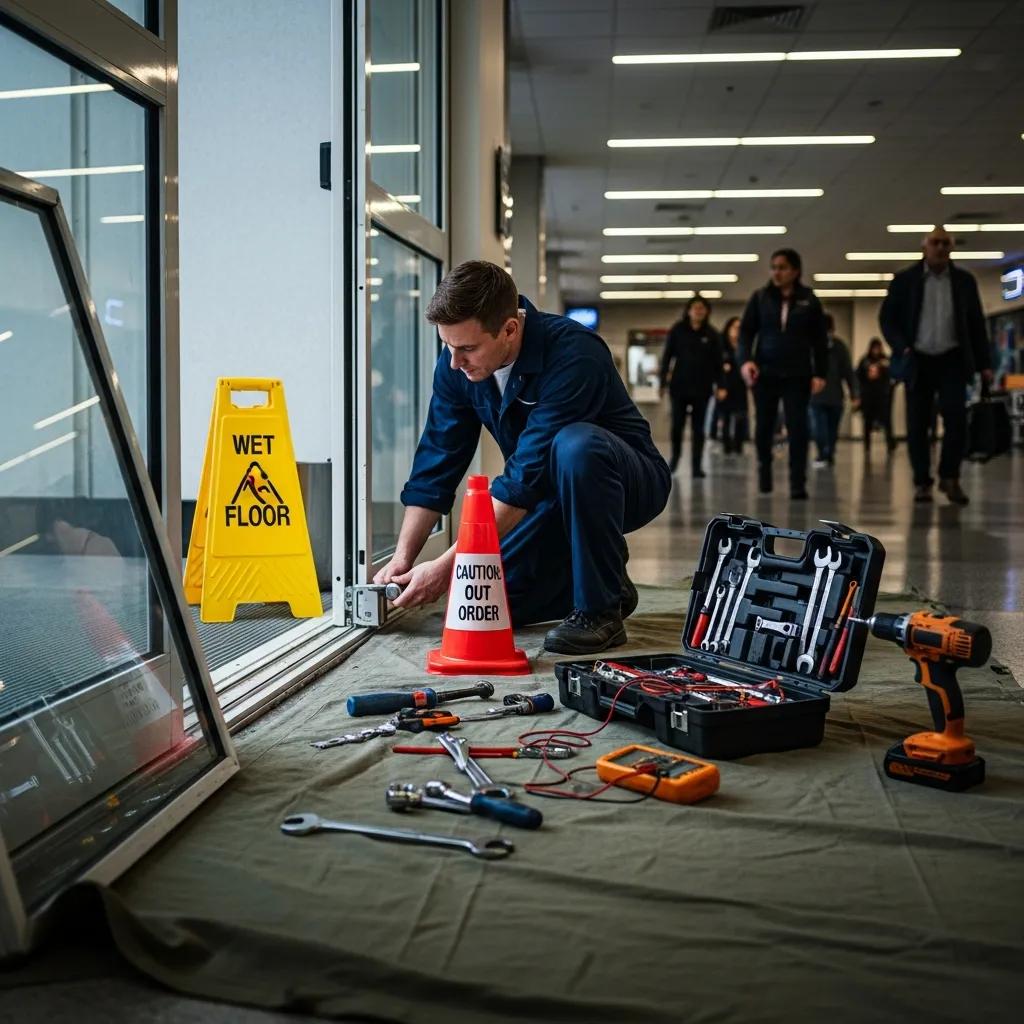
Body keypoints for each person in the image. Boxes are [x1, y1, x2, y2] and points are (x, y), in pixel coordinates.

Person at [374, 260, 671, 654]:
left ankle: (600, 611)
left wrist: (446, 570)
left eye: (466, 348)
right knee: (486, 602)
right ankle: (610, 581)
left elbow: (523, 479)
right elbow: (436, 462)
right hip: (547, 492)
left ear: (510, 329)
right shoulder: (457, 368)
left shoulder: (574, 353)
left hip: (625, 482)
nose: (454, 362)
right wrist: (402, 560)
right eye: (447, 346)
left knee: (574, 444)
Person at [879, 227, 993, 505]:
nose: (940, 248)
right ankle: (922, 482)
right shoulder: (906, 280)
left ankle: (949, 476)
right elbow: (887, 319)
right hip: (917, 359)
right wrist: (901, 346)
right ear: (924, 246)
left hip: (953, 359)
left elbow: (976, 324)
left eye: (945, 243)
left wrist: (984, 363)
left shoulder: (964, 281)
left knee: (956, 420)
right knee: (917, 424)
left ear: (951, 247)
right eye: (934, 242)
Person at [738, 248, 828, 499]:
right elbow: (746, 333)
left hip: (798, 374)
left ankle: (797, 483)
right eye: (773, 267)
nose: (776, 272)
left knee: (798, 428)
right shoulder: (760, 298)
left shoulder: (809, 300)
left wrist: (821, 373)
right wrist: (745, 361)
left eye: (782, 267)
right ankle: (764, 473)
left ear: (795, 271)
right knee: (764, 426)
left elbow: (820, 341)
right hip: (765, 372)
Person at [658, 295, 722, 478]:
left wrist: (721, 385)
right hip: (679, 386)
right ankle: (675, 458)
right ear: (688, 311)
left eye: (702, 308)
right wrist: (663, 382)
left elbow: (718, 363)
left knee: (699, 428)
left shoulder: (712, 334)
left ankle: (696, 465)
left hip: (703, 387)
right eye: (695, 308)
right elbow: (667, 357)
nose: (698, 311)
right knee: (677, 426)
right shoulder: (678, 331)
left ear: (707, 312)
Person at [808, 314, 859, 468]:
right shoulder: (810, 347)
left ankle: (828, 455)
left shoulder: (839, 347)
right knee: (819, 430)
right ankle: (823, 454)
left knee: (832, 431)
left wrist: (855, 394)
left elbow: (848, 372)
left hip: (835, 397)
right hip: (816, 397)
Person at [856, 337, 897, 455]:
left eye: (878, 348)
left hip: (882, 395)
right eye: (874, 348)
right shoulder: (864, 361)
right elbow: (859, 377)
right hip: (868, 395)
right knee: (867, 421)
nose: (876, 350)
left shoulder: (885, 361)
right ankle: (867, 445)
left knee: (886, 421)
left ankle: (890, 443)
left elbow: (893, 377)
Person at [715, 316, 748, 455]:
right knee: (726, 417)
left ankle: (739, 446)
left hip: (740, 386)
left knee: (741, 416)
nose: (737, 331)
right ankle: (727, 447)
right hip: (725, 386)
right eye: (734, 327)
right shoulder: (721, 346)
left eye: (739, 328)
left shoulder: (744, 346)